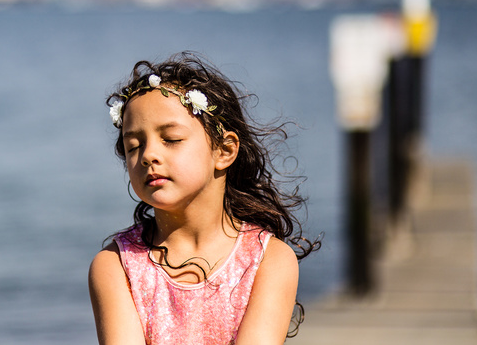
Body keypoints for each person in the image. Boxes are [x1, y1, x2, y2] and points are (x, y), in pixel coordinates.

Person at [89, 53, 319, 345]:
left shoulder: (269, 260)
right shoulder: (116, 265)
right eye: (134, 145)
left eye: (171, 139)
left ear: (224, 150)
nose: (148, 155)